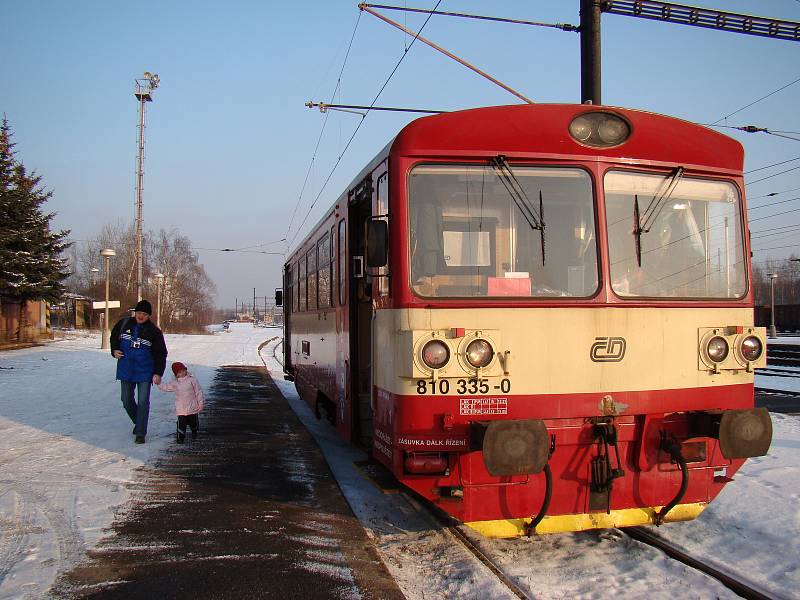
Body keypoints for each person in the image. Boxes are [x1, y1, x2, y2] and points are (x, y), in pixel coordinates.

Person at [110, 299, 168, 444]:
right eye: (139, 313)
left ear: (149, 316)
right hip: (126, 369)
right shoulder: (124, 324)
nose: (141, 316)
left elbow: (161, 354)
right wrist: (114, 350)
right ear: (135, 312)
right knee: (126, 400)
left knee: (143, 402)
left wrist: (158, 373)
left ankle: (140, 432)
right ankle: (139, 421)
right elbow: (113, 338)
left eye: (144, 314)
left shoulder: (154, 332)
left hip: (145, 372)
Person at [158, 361, 204, 444]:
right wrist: (159, 383)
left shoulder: (192, 380)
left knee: (193, 422)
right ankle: (180, 438)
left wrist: (200, 403)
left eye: (184, 370)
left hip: (192, 407)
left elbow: (198, 392)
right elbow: (166, 387)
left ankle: (194, 431)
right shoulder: (175, 383)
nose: (183, 373)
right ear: (176, 374)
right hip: (181, 409)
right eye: (180, 372)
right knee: (181, 424)